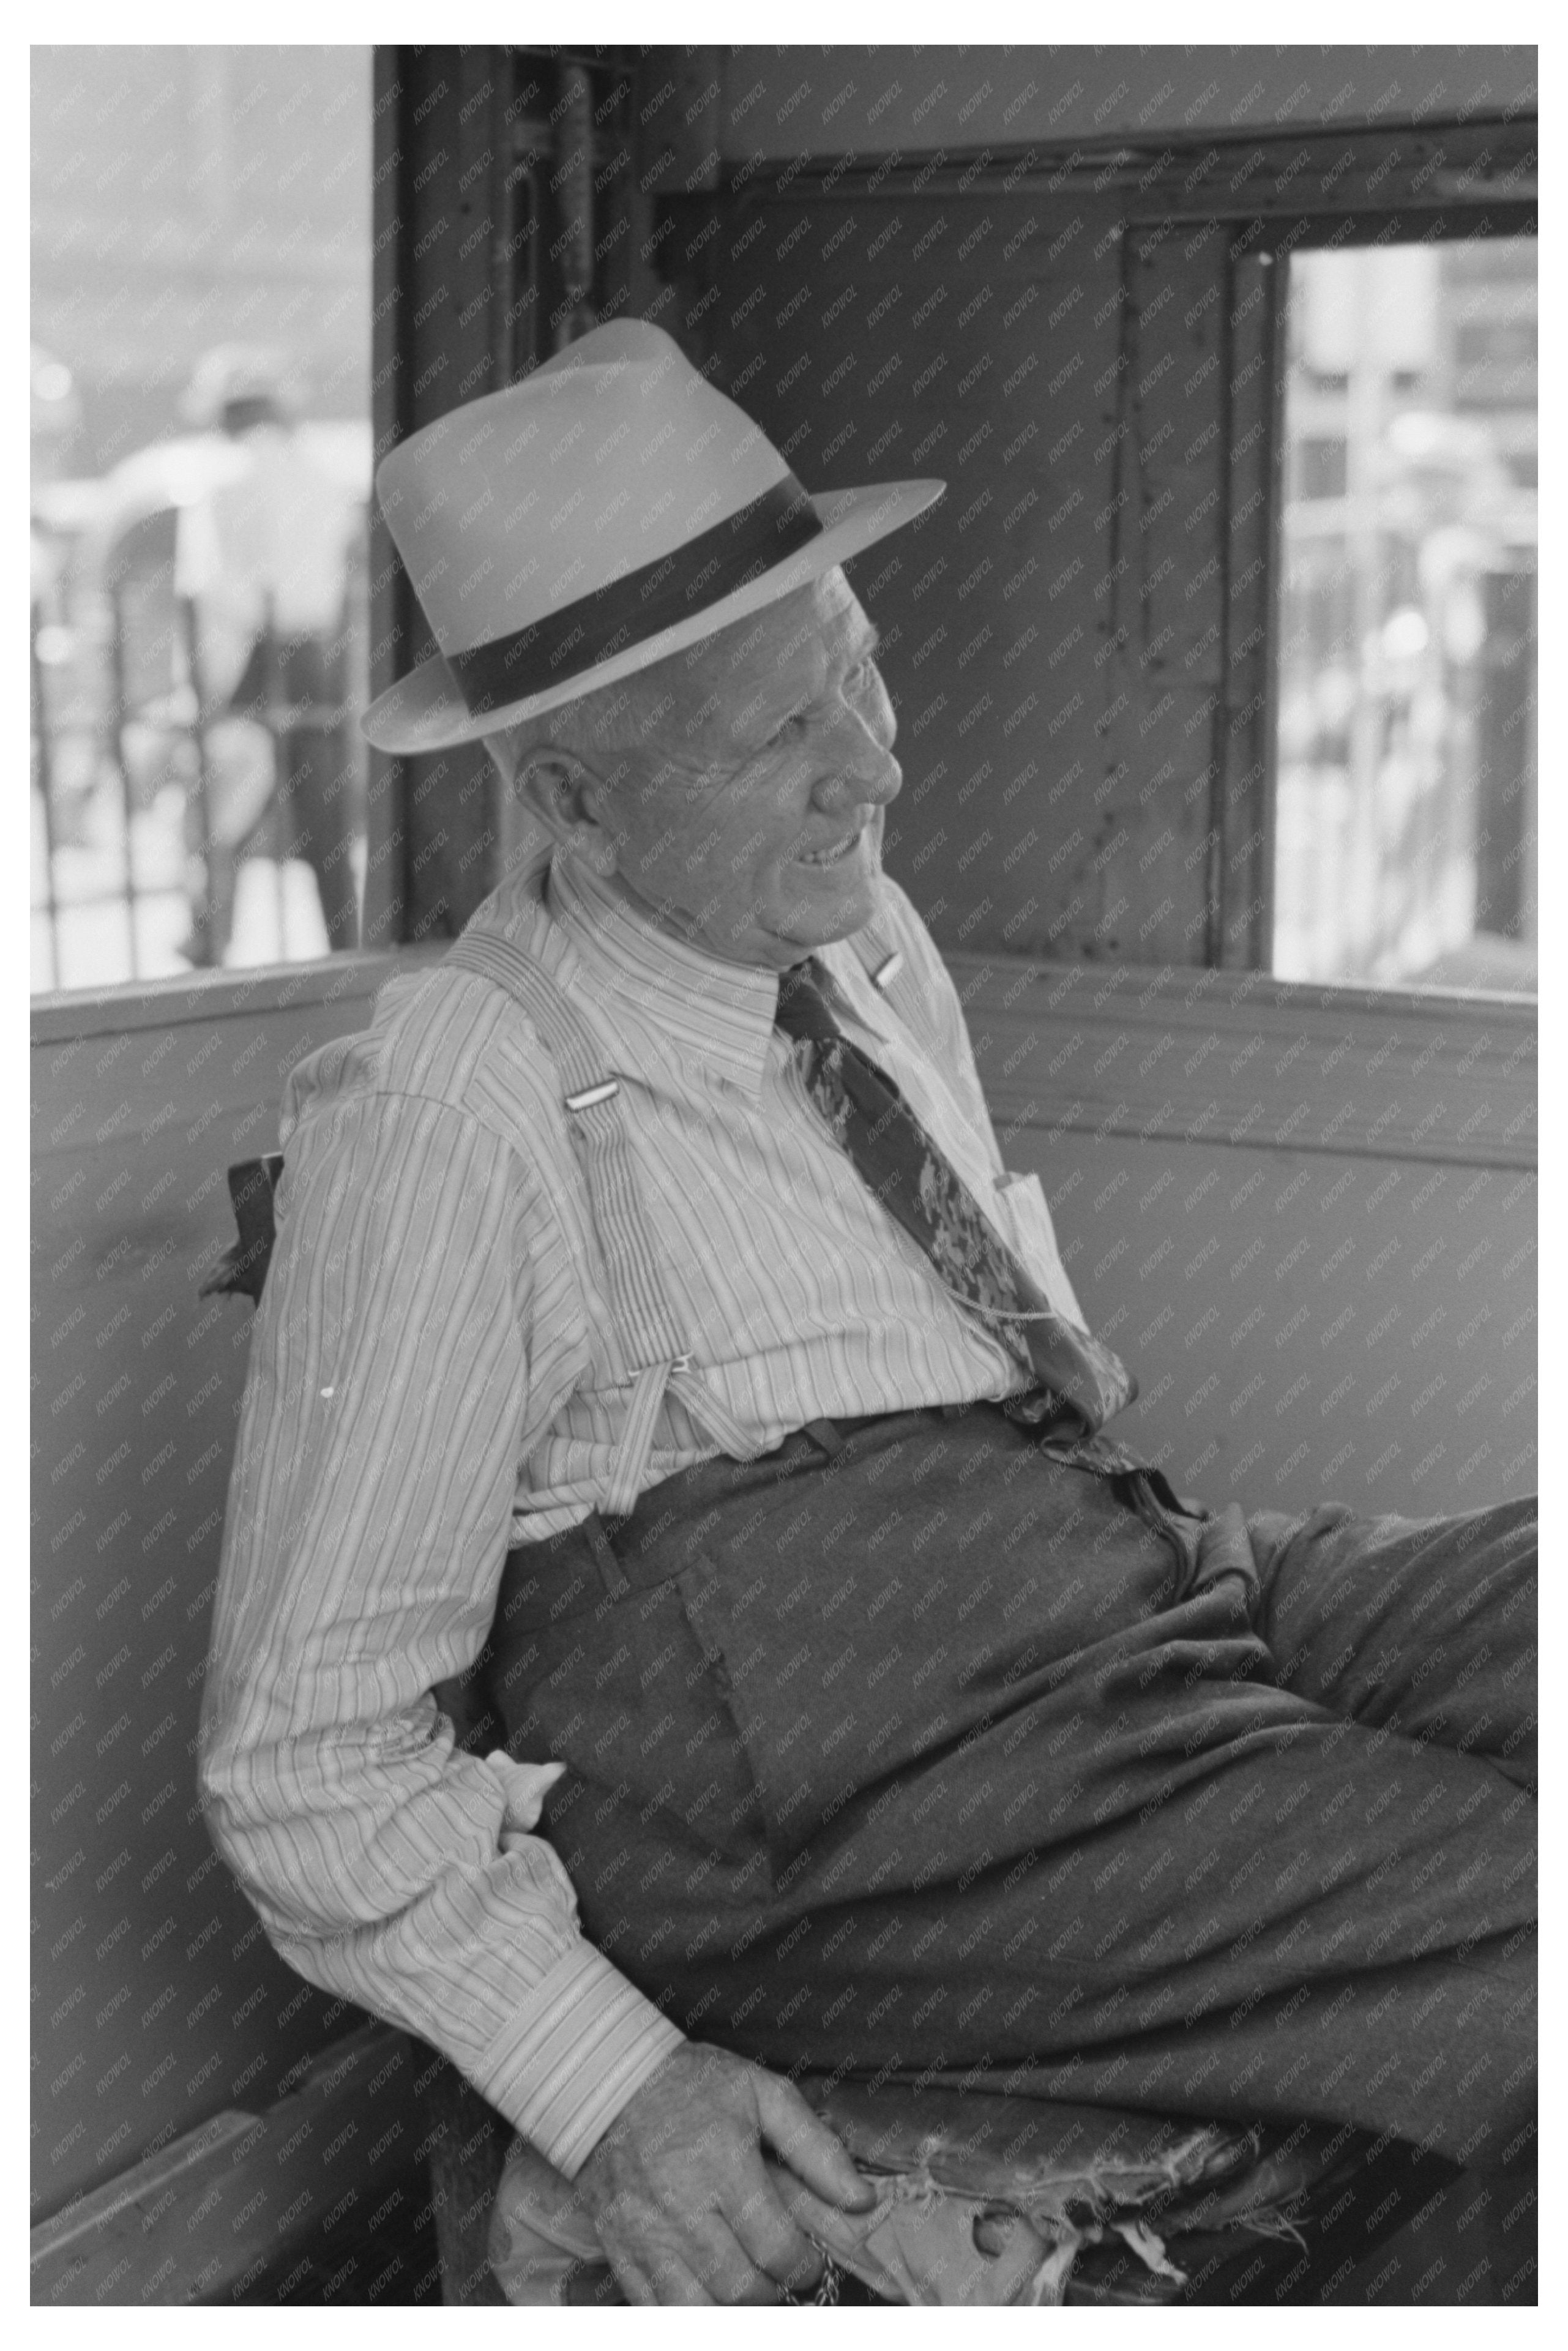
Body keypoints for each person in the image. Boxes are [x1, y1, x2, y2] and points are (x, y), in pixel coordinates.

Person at [200, 320, 1536, 2308]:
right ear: (571, 798)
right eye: (783, 736)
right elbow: (302, 1750)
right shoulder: (450, 1094)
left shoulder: (863, 949)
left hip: (1125, 1585)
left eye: (864, 671)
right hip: (865, 1790)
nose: (877, 766)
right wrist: (614, 2089)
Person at [174, 345, 362, 957]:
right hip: (312, 657)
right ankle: (346, 939)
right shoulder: (320, 475)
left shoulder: (217, 480)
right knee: (322, 814)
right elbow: (335, 575)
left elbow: (212, 590)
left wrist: (205, 682)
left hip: (249, 659)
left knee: (224, 808)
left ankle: (209, 935)